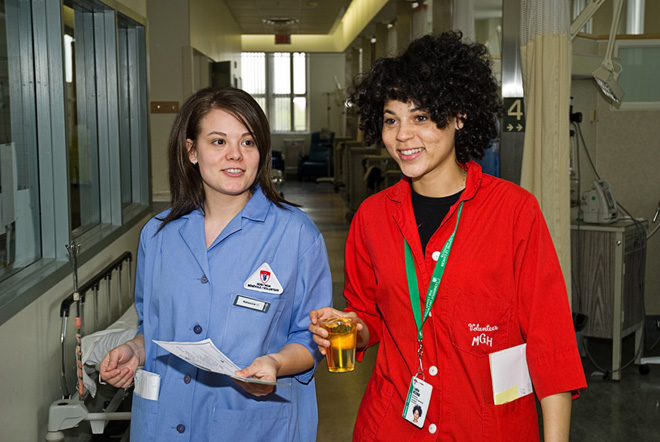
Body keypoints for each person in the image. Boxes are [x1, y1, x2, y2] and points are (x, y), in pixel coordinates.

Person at [309, 31, 586, 442]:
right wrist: (347, 327)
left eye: (420, 117)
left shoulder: (514, 212)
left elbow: (551, 344)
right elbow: (368, 317)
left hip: (486, 427)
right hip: (394, 426)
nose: (402, 135)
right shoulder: (372, 218)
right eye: (391, 119)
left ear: (458, 116)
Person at [100, 87, 332, 441]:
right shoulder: (159, 235)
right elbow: (154, 326)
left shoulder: (296, 235)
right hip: (164, 422)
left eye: (248, 142)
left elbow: (311, 337)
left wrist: (276, 363)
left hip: (253, 424)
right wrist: (136, 350)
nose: (235, 156)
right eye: (219, 142)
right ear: (192, 151)